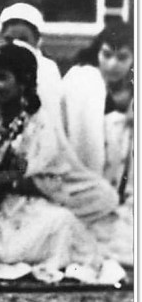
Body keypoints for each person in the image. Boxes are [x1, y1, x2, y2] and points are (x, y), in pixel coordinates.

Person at [0, 41, 125, 281]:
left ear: (23, 82)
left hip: (23, 209)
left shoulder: (40, 122)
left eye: (1, 77)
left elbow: (42, 174)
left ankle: (2, 253)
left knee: (61, 221)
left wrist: (5, 182)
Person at [61, 21, 134, 202]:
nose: (112, 64)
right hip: (87, 173)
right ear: (97, 52)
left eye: (122, 58)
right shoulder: (84, 81)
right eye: (107, 55)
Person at [0, 3, 64, 127]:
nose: (16, 45)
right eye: (9, 39)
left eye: (23, 40)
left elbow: (53, 116)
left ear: (37, 40)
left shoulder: (48, 70)